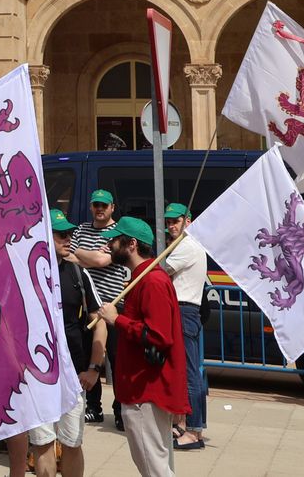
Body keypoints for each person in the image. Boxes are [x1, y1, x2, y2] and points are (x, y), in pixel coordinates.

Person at [95, 217, 187, 477]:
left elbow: (159, 336)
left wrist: (117, 320)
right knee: (156, 464)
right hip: (142, 387)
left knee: (153, 467)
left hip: (146, 389)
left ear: (132, 244)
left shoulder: (152, 281)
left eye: (115, 240)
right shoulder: (144, 278)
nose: (109, 245)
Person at [35, 209, 107, 477]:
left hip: (74, 376)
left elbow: (99, 321)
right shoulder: (27, 274)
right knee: (43, 443)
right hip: (38, 377)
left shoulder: (78, 272)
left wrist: (94, 368)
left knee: (72, 442)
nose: (68, 239)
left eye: (70, 233)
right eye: (61, 234)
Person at [69, 189, 130, 426]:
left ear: (112, 207)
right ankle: (93, 407)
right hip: (87, 306)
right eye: (96, 205)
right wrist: (89, 256)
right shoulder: (81, 229)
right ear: (91, 206)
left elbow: (102, 260)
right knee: (88, 358)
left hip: (112, 305)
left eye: (104, 205)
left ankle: (120, 411)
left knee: (117, 360)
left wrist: (79, 253)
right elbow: (69, 258)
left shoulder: (117, 233)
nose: (100, 209)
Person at [160, 202, 208, 451]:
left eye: (175, 221)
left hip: (184, 310)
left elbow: (160, 271)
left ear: (188, 221)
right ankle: (188, 426)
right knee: (189, 373)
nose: (171, 226)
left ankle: (193, 430)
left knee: (189, 374)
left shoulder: (187, 245)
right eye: (168, 222)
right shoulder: (187, 245)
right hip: (185, 311)